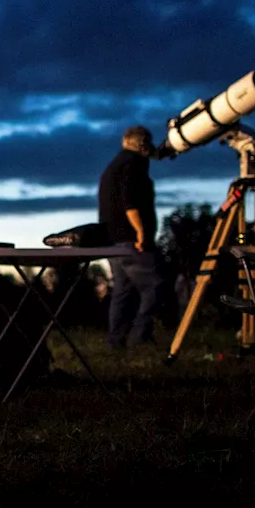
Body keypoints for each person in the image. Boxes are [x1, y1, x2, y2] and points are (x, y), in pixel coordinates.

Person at [98, 125, 165, 348]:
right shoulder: (133, 164)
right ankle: (139, 338)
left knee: (122, 292)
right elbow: (130, 202)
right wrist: (141, 233)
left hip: (111, 239)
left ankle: (115, 342)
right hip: (130, 238)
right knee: (155, 285)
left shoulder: (114, 165)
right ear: (142, 145)